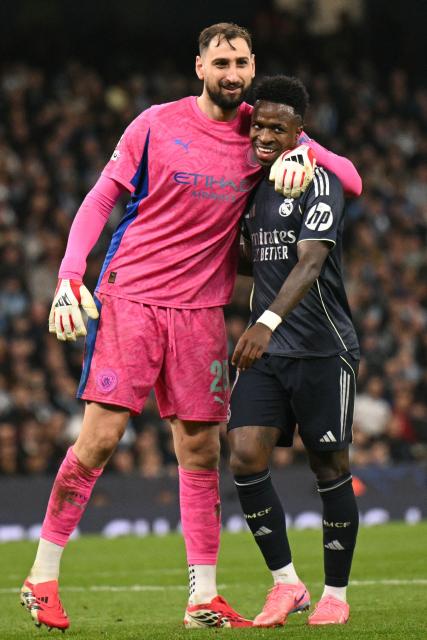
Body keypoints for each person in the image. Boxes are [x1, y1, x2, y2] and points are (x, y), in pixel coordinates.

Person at [20, 24, 362, 631]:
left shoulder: (265, 134)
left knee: (201, 451)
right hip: (132, 298)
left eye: (241, 63)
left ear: (252, 66)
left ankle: (202, 597)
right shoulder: (154, 123)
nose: (232, 73)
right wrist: (70, 274)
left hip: (201, 311)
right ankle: (41, 578)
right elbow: (102, 197)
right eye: (221, 62)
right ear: (199, 66)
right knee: (99, 440)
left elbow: (351, 180)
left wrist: (309, 152)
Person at [227, 75, 360, 627]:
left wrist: (266, 320)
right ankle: (287, 585)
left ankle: (336, 594)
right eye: (258, 124)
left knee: (328, 466)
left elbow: (309, 261)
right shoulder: (254, 189)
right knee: (243, 455)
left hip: (322, 348)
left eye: (277, 128)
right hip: (270, 351)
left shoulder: (319, 181)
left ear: (298, 133)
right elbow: (249, 261)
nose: (263, 134)